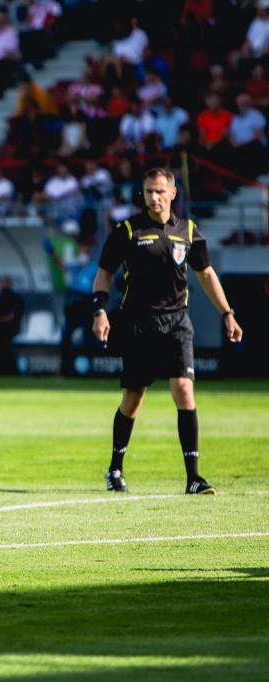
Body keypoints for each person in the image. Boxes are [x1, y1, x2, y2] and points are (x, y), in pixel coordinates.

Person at [91, 168, 243, 496]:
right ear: (143, 194)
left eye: (160, 191)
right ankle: (115, 469)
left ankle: (193, 477)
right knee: (133, 397)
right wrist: (100, 310)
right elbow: (104, 273)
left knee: (184, 391)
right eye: (148, 192)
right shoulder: (128, 230)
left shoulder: (188, 231)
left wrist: (227, 313)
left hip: (177, 322)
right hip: (138, 324)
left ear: (173, 193)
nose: (154, 197)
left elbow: (206, 274)